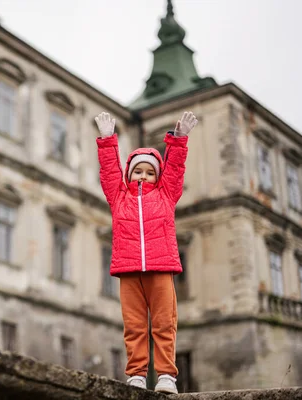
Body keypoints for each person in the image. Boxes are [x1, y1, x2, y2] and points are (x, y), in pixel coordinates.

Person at [94, 111, 198, 394]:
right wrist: (107, 140)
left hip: (161, 267)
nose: (143, 175)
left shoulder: (166, 194)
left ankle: (166, 376)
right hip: (128, 272)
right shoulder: (119, 197)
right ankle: (137, 374)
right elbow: (109, 171)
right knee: (135, 326)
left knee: (165, 324)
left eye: (150, 171)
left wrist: (179, 140)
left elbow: (175, 169)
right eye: (138, 170)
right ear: (130, 174)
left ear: (157, 175)